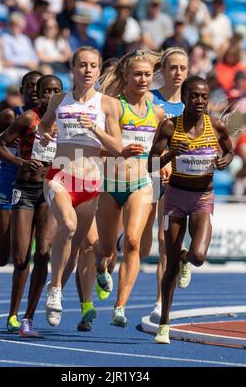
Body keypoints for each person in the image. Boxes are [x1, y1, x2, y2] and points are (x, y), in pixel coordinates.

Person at [39, 46, 122, 328]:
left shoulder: (109, 104)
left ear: (99, 71)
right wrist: (45, 134)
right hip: (59, 175)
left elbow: (118, 147)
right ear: (72, 68)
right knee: (68, 226)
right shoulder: (59, 101)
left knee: (76, 248)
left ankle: (63, 284)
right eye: (82, 65)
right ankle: (55, 290)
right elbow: (43, 127)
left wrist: (94, 129)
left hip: (90, 183)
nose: (87, 70)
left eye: (93, 66)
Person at [148, 76, 234, 343]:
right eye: (194, 96)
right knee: (170, 265)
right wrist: (171, 155)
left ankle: (187, 259)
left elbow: (229, 152)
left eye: (204, 96)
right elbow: (150, 165)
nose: (199, 100)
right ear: (184, 98)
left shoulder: (217, 125)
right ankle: (164, 323)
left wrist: (225, 161)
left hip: (202, 197)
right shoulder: (170, 126)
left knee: (197, 256)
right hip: (174, 197)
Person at [96, 50, 164, 326]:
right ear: (126, 75)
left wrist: (164, 164)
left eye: (147, 74)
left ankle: (120, 306)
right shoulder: (113, 106)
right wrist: (119, 151)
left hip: (141, 184)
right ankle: (103, 268)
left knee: (133, 243)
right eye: (137, 73)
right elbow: (104, 147)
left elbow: (160, 149)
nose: (143, 79)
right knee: (106, 250)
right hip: (112, 183)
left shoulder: (157, 112)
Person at [0, 74, 62, 337]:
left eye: (56, 90)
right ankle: (12, 312)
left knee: (43, 252)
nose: (50, 95)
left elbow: (79, 150)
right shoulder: (26, 119)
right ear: (39, 92)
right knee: (21, 258)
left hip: (50, 191)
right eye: (46, 90)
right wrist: (21, 163)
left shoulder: (65, 123)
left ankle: (28, 318)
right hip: (24, 190)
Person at [0, 71, 43, 333]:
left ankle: (15, 315)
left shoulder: (48, 119)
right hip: (8, 184)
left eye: (39, 86)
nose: (35, 91)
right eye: (30, 87)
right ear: (23, 90)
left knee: (23, 255)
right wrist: (7, 148)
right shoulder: (10, 116)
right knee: (2, 257)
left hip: (34, 187)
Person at [148, 47, 188, 323]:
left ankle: (161, 303)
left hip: (178, 182)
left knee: (165, 242)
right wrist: (159, 162)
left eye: (182, 68)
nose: (177, 73)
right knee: (135, 240)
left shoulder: (192, 104)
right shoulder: (151, 101)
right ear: (162, 70)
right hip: (149, 174)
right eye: (172, 67)